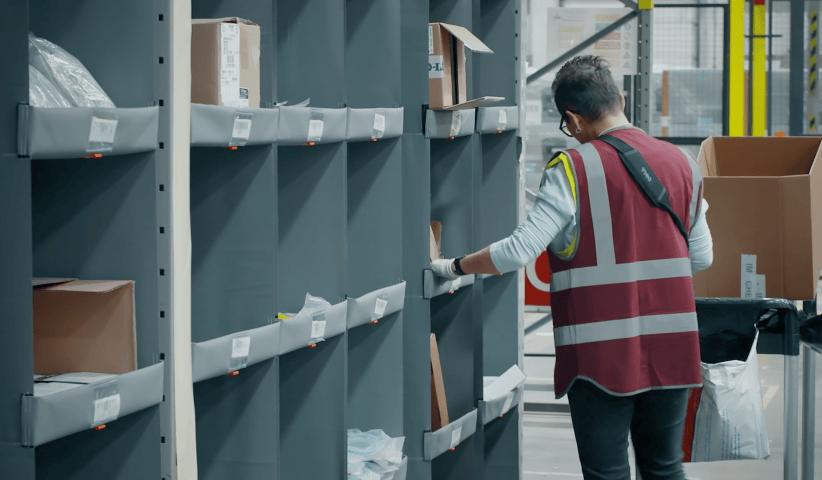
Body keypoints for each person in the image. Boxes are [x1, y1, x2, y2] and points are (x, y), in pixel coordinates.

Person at [430, 55, 714, 480]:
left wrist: (451, 267)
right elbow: (702, 257)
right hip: (673, 348)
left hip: (600, 359)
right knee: (664, 467)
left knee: (607, 472)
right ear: (620, 99)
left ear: (572, 119)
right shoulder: (683, 163)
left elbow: (519, 251)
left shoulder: (573, 168)